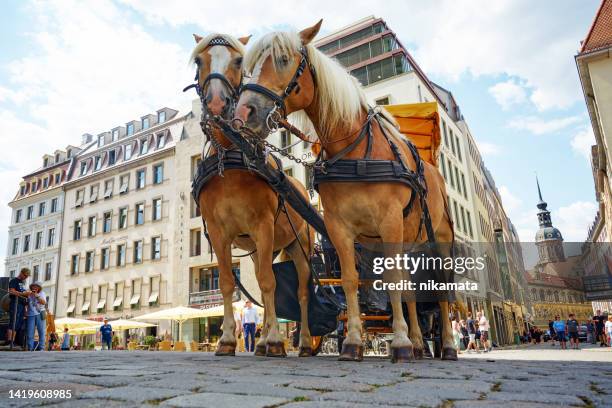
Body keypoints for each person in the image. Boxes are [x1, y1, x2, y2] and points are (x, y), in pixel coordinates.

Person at [5, 268, 31, 349]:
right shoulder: (14, 281)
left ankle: (13, 341)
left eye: (27, 276)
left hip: (22, 304)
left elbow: (22, 293)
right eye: (25, 275)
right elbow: (12, 291)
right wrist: (23, 293)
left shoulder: (22, 283)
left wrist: (27, 294)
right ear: (21, 273)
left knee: (18, 323)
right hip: (15, 303)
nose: (26, 277)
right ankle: (9, 341)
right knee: (13, 321)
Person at [25, 281, 47, 351]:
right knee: (30, 332)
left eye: (36, 286)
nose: (34, 288)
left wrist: (37, 296)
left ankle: (41, 348)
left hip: (40, 314)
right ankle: (30, 348)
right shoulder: (28, 294)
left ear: (39, 288)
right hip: (30, 315)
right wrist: (25, 312)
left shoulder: (42, 293)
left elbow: (43, 302)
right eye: (33, 286)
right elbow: (26, 304)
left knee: (41, 331)